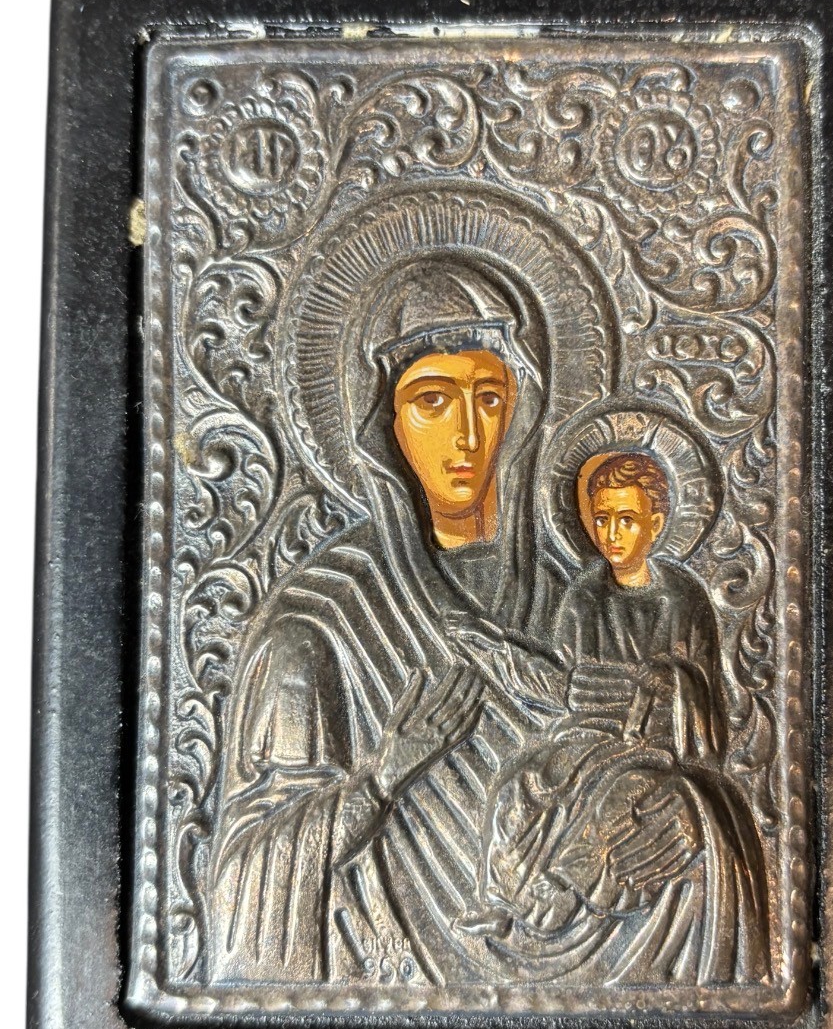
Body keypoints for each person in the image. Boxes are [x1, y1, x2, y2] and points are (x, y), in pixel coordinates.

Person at [207, 259, 571, 986]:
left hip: (567, 945)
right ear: (384, 423)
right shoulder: (317, 623)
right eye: (433, 401)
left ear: (522, 409)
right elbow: (245, 876)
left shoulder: (568, 598)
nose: (467, 435)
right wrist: (382, 777)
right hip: (382, 963)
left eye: (488, 397)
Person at [450, 450, 770, 985]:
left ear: (657, 524)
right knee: (520, 784)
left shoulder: (682, 599)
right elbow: (568, 686)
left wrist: (669, 681)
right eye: (601, 519)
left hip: (653, 742)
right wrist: (498, 652)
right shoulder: (585, 597)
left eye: (627, 519)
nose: (611, 534)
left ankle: (559, 895)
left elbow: (706, 694)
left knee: (617, 797)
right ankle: (501, 900)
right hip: (585, 735)